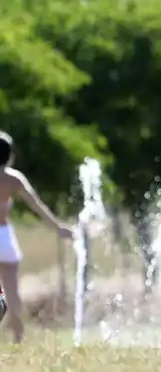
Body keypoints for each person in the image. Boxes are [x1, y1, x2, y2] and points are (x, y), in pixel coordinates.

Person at [0, 131, 73, 343]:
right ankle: (18, 336)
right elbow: (36, 206)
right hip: (5, 236)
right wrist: (58, 227)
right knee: (12, 289)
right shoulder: (13, 179)